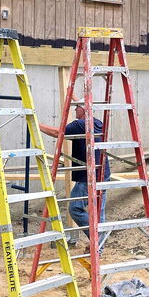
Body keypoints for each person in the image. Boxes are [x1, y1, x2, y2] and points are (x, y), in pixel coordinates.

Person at [38, 100, 110, 248]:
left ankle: (98, 240)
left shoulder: (79, 125)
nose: (74, 110)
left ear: (82, 110)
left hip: (88, 177)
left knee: (75, 209)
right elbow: (82, 102)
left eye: (76, 108)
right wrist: (75, 97)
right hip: (102, 173)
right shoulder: (96, 122)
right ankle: (99, 246)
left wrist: (36, 124)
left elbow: (57, 133)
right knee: (98, 212)